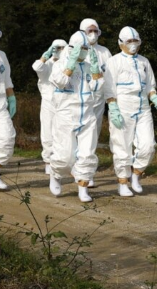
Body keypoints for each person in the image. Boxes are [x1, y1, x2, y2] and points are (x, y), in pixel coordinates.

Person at [104, 27, 157, 197]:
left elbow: (150, 84)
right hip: (123, 106)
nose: (133, 44)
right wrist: (112, 106)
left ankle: (136, 173)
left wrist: (154, 96)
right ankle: (122, 181)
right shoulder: (114, 62)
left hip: (143, 107)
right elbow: (108, 87)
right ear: (120, 43)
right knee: (122, 146)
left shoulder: (144, 62)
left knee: (148, 145)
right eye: (129, 41)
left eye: (135, 41)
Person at [49, 31, 104, 202]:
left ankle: (83, 187)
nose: (84, 52)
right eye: (81, 48)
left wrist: (96, 71)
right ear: (71, 48)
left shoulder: (87, 66)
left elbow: (97, 87)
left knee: (87, 154)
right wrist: (70, 66)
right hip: (66, 114)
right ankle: (56, 174)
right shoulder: (59, 64)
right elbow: (60, 82)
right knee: (64, 157)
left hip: (87, 113)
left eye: (86, 48)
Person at [80, 18, 112, 188]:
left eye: (95, 31)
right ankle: (76, 166)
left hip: (98, 100)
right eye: (89, 31)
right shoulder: (76, 50)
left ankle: (87, 172)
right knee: (78, 134)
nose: (93, 34)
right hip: (79, 100)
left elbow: (111, 75)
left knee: (93, 134)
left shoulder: (104, 52)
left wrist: (111, 99)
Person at [32, 39, 68, 175]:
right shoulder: (47, 64)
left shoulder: (68, 64)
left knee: (64, 132)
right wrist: (45, 56)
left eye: (62, 48)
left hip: (64, 101)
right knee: (47, 132)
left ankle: (63, 160)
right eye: (56, 48)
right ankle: (48, 161)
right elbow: (37, 67)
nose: (59, 50)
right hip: (48, 101)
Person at [0, 29, 16, 191]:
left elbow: (7, 79)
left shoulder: (2, 55)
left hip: (1, 105)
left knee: (7, 139)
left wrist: (11, 97)